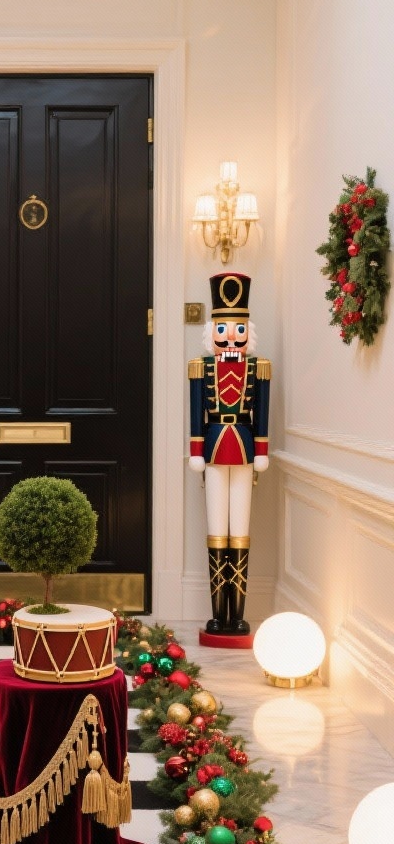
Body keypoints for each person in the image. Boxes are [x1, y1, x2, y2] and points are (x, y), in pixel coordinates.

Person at [188, 273, 270, 636]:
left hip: (246, 448)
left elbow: (262, 413)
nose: (231, 336)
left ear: (247, 331)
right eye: (224, 328)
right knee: (215, 532)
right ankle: (216, 613)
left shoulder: (258, 367)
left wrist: (263, 449)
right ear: (212, 331)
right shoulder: (201, 368)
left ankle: (237, 614)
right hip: (213, 447)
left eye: (238, 328)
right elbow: (195, 414)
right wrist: (194, 450)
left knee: (241, 532)